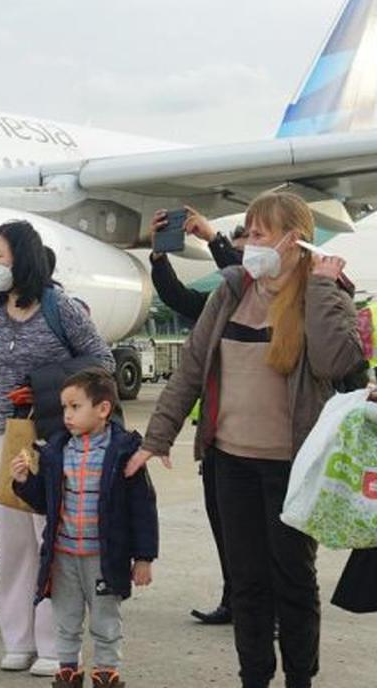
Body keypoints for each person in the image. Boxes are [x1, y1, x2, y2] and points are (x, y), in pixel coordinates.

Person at [131, 192, 363, 688]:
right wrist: (157, 438)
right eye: (249, 233)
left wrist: (322, 288)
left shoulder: (323, 292)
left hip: (291, 468)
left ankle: (301, 678)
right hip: (230, 462)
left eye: (259, 234)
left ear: (292, 239)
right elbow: (192, 367)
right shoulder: (234, 289)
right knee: (249, 585)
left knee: (294, 582)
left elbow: (337, 363)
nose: (249, 244)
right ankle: (253, 678)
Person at [0, 220, 115, 677]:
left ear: (23, 257)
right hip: (3, 435)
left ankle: (57, 644)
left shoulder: (60, 307)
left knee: (50, 540)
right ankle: (18, 639)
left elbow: (102, 360)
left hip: (52, 437)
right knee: (12, 545)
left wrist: (45, 388)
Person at [11, 368, 158, 688]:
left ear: (103, 409)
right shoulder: (56, 451)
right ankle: (68, 670)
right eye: (64, 407)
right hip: (63, 555)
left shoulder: (124, 452)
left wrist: (144, 557)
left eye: (75, 407)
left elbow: (143, 507)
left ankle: (106, 671)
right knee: (65, 618)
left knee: (106, 619)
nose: (67, 415)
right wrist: (24, 481)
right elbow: (44, 503)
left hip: (104, 556)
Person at [145, 207, 243, 626]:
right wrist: (158, 258)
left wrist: (215, 238)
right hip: (217, 433)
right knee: (224, 524)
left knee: (265, 531)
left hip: (262, 436)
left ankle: (269, 604)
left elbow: (244, 276)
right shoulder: (217, 306)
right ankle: (234, 596)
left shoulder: (272, 301)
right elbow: (178, 298)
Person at [148, 207, 248, 322]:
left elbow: (241, 275)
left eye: (241, 254)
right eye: (234, 252)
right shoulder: (220, 302)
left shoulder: (267, 299)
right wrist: (159, 256)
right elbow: (175, 297)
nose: (234, 256)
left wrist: (213, 239)